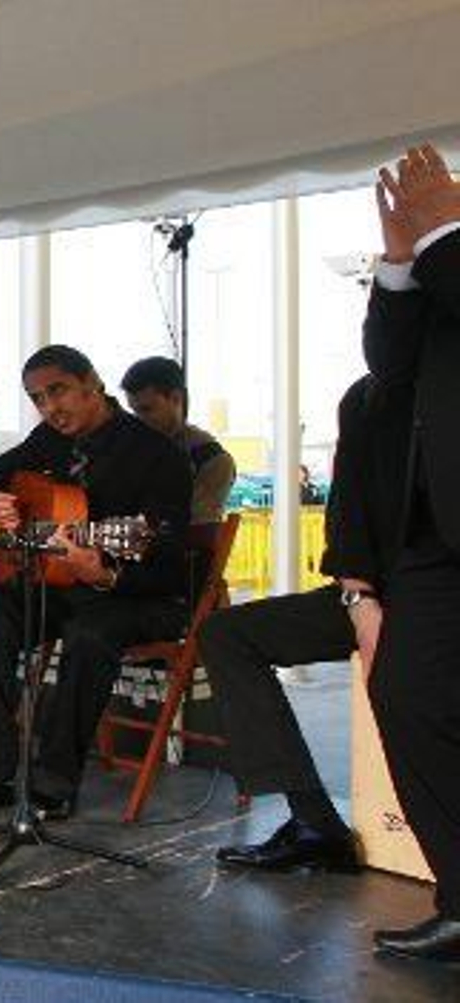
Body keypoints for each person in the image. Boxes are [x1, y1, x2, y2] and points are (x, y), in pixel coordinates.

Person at [0, 345, 190, 820]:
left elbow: (168, 559)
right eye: (37, 398)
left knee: (90, 634)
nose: (50, 407)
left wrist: (107, 572)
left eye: (59, 391)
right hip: (61, 584)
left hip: (137, 593)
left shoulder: (156, 454)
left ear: (92, 383)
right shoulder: (47, 440)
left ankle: (53, 783)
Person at [199, 375, 407, 875]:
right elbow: (348, 511)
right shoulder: (366, 397)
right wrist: (360, 598)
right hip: (380, 590)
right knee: (226, 633)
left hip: (434, 595)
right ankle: (314, 822)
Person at [356, 142, 460, 963]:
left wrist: (443, 235)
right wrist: (399, 263)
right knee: (406, 694)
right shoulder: (438, 255)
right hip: (432, 529)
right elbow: (388, 370)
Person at [120, 356, 235, 526]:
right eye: (134, 412)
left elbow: (200, 535)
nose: (138, 420)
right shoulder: (128, 447)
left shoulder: (210, 460)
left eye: (147, 409)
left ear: (175, 398)